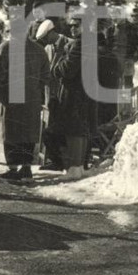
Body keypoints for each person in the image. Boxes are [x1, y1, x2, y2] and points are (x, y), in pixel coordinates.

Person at [0, 25, 48, 181]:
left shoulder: (5, 48)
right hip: (32, 99)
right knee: (28, 134)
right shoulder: (39, 50)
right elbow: (45, 76)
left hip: (11, 99)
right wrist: (36, 90)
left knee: (11, 133)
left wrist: (1, 93)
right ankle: (26, 168)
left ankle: (12, 168)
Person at [51, 13, 93, 170]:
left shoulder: (79, 44)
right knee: (81, 129)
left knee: (73, 129)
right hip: (86, 91)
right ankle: (80, 165)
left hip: (74, 92)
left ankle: (74, 166)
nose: (73, 29)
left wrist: (57, 66)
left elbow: (67, 69)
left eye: (77, 25)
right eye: (71, 26)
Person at [36, 19, 72, 171]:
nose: (46, 41)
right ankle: (54, 160)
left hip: (67, 95)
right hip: (52, 95)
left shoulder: (70, 44)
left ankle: (65, 161)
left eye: (46, 37)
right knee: (50, 127)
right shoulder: (48, 49)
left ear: (52, 32)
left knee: (63, 129)